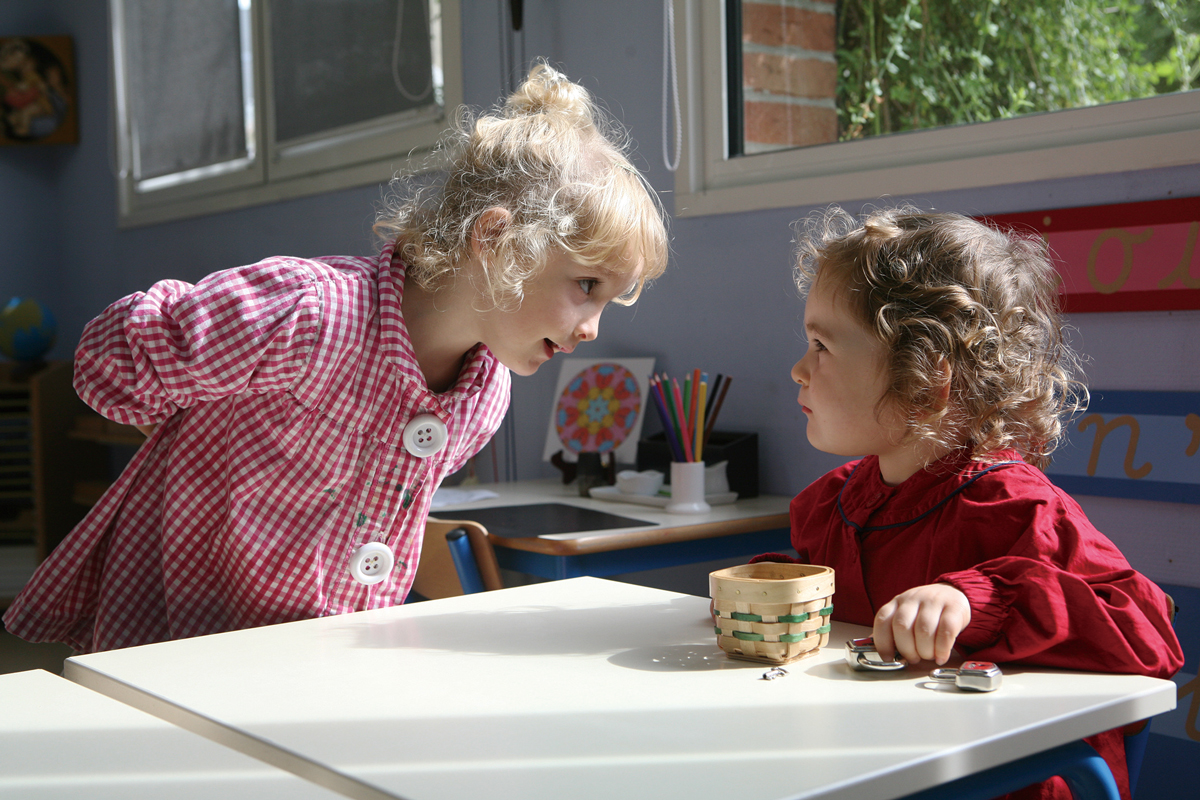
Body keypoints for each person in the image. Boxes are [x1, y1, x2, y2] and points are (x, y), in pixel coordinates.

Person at [4, 63, 668, 654]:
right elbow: (106, 359)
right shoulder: (308, 313)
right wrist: (180, 428)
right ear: (494, 239)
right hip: (176, 644)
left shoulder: (481, 396)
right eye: (587, 286)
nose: (593, 329)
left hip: (321, 655)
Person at [757, 206, 1182, 800]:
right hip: (882, 764)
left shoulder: (1018, 507)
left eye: (822, 345)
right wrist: (781, 592)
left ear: (928, 380)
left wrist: (976, 599)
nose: (799, 369)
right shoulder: (832, 504)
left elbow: (1150, 634)